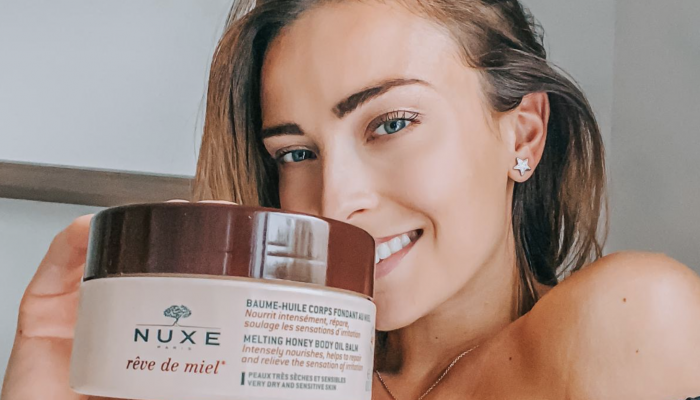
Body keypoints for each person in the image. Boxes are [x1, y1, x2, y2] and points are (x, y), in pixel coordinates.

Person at [3, 0, 700, 399]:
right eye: (295, 154)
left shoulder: (629, 322)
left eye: (391, 123)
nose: (334, 202)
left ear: (523, 133)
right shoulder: (249, 380)